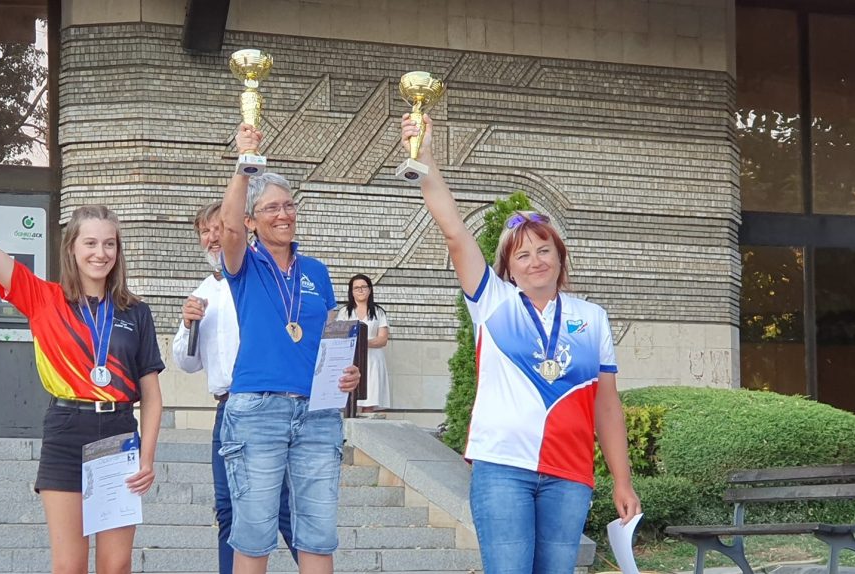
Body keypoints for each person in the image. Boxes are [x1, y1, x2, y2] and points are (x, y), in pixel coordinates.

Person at [400, 114, 641, 573]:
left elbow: (606, 407)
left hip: (569, 474)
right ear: (508, 267)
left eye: (544, 250)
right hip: (502, 467)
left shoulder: (592, 318)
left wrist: (622, 482)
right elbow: (455, 232)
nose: (535, 262)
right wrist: (426, 160)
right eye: (523, 254)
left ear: (560, 256)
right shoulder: (492, 301)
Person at [0, 133, 164, 574]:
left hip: (119, 431)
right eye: (90, 243)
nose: (100, 253)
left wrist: (146, 456)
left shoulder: (135, 312)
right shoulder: (42, 297)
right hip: (67, 429)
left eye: (109, 244)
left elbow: (153, 395)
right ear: (72, 248)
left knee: (117, 564)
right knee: (69, 566)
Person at [219, 123, 361, 574]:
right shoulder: (244, 261)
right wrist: (244, 166)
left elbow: (328, 338)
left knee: (318, 533)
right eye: (271, 208)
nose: (283, 214)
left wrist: (347, 373)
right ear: (252, 219)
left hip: (317, 413)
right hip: (257, 408)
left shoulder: (316, 271)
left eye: (289, 205)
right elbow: (226, 227)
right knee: (255, 533)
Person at [170, 202, 297, 573]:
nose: (212, 238)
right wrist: (188, 322)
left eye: (217, 229)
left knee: (282, 505)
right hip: (227, 408)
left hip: (268, 405)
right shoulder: (202, 290)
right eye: (205, 232)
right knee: (227, 507)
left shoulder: (263, 277)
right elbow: (187, 362)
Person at [336, 274, 391, 412]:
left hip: (372, 360)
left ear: (370, 290)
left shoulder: (378, 312)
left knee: (370, 398)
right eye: (356, 288)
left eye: (364, 287)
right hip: (350, 359)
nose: (360, 290)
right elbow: (338, 335)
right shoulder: (344, 312)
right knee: (350, 399)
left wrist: (361, 343)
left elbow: (382, 339)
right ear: (351, 291)